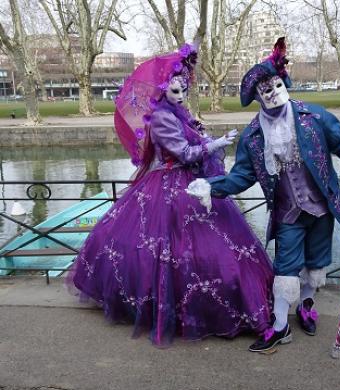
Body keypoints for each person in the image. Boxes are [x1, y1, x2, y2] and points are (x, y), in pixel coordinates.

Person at [188, 37, 340, 352]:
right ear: (257, 96)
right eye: (264, 88)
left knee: (316, 262)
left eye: (275, 84)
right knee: (286, 267)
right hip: (287, 213)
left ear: (283, 82)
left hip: (322, 208)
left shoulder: (314, 116)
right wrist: (210, 186)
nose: (271, 91)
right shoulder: (254, 137)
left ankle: (307, 305)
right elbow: (241, 176)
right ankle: (280, 325)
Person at [67, 44, 274, 347]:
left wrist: (199, 131)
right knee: (166, 248)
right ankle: (171, 309)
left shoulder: (178, 112)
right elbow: (184, 154)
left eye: (183, 91)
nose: (180, 96)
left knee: (215, 244)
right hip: (170, 183)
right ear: (164, 90)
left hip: (191, 182)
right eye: (174, 91)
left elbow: (190, 140)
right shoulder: (162, 117)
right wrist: (213, 144)